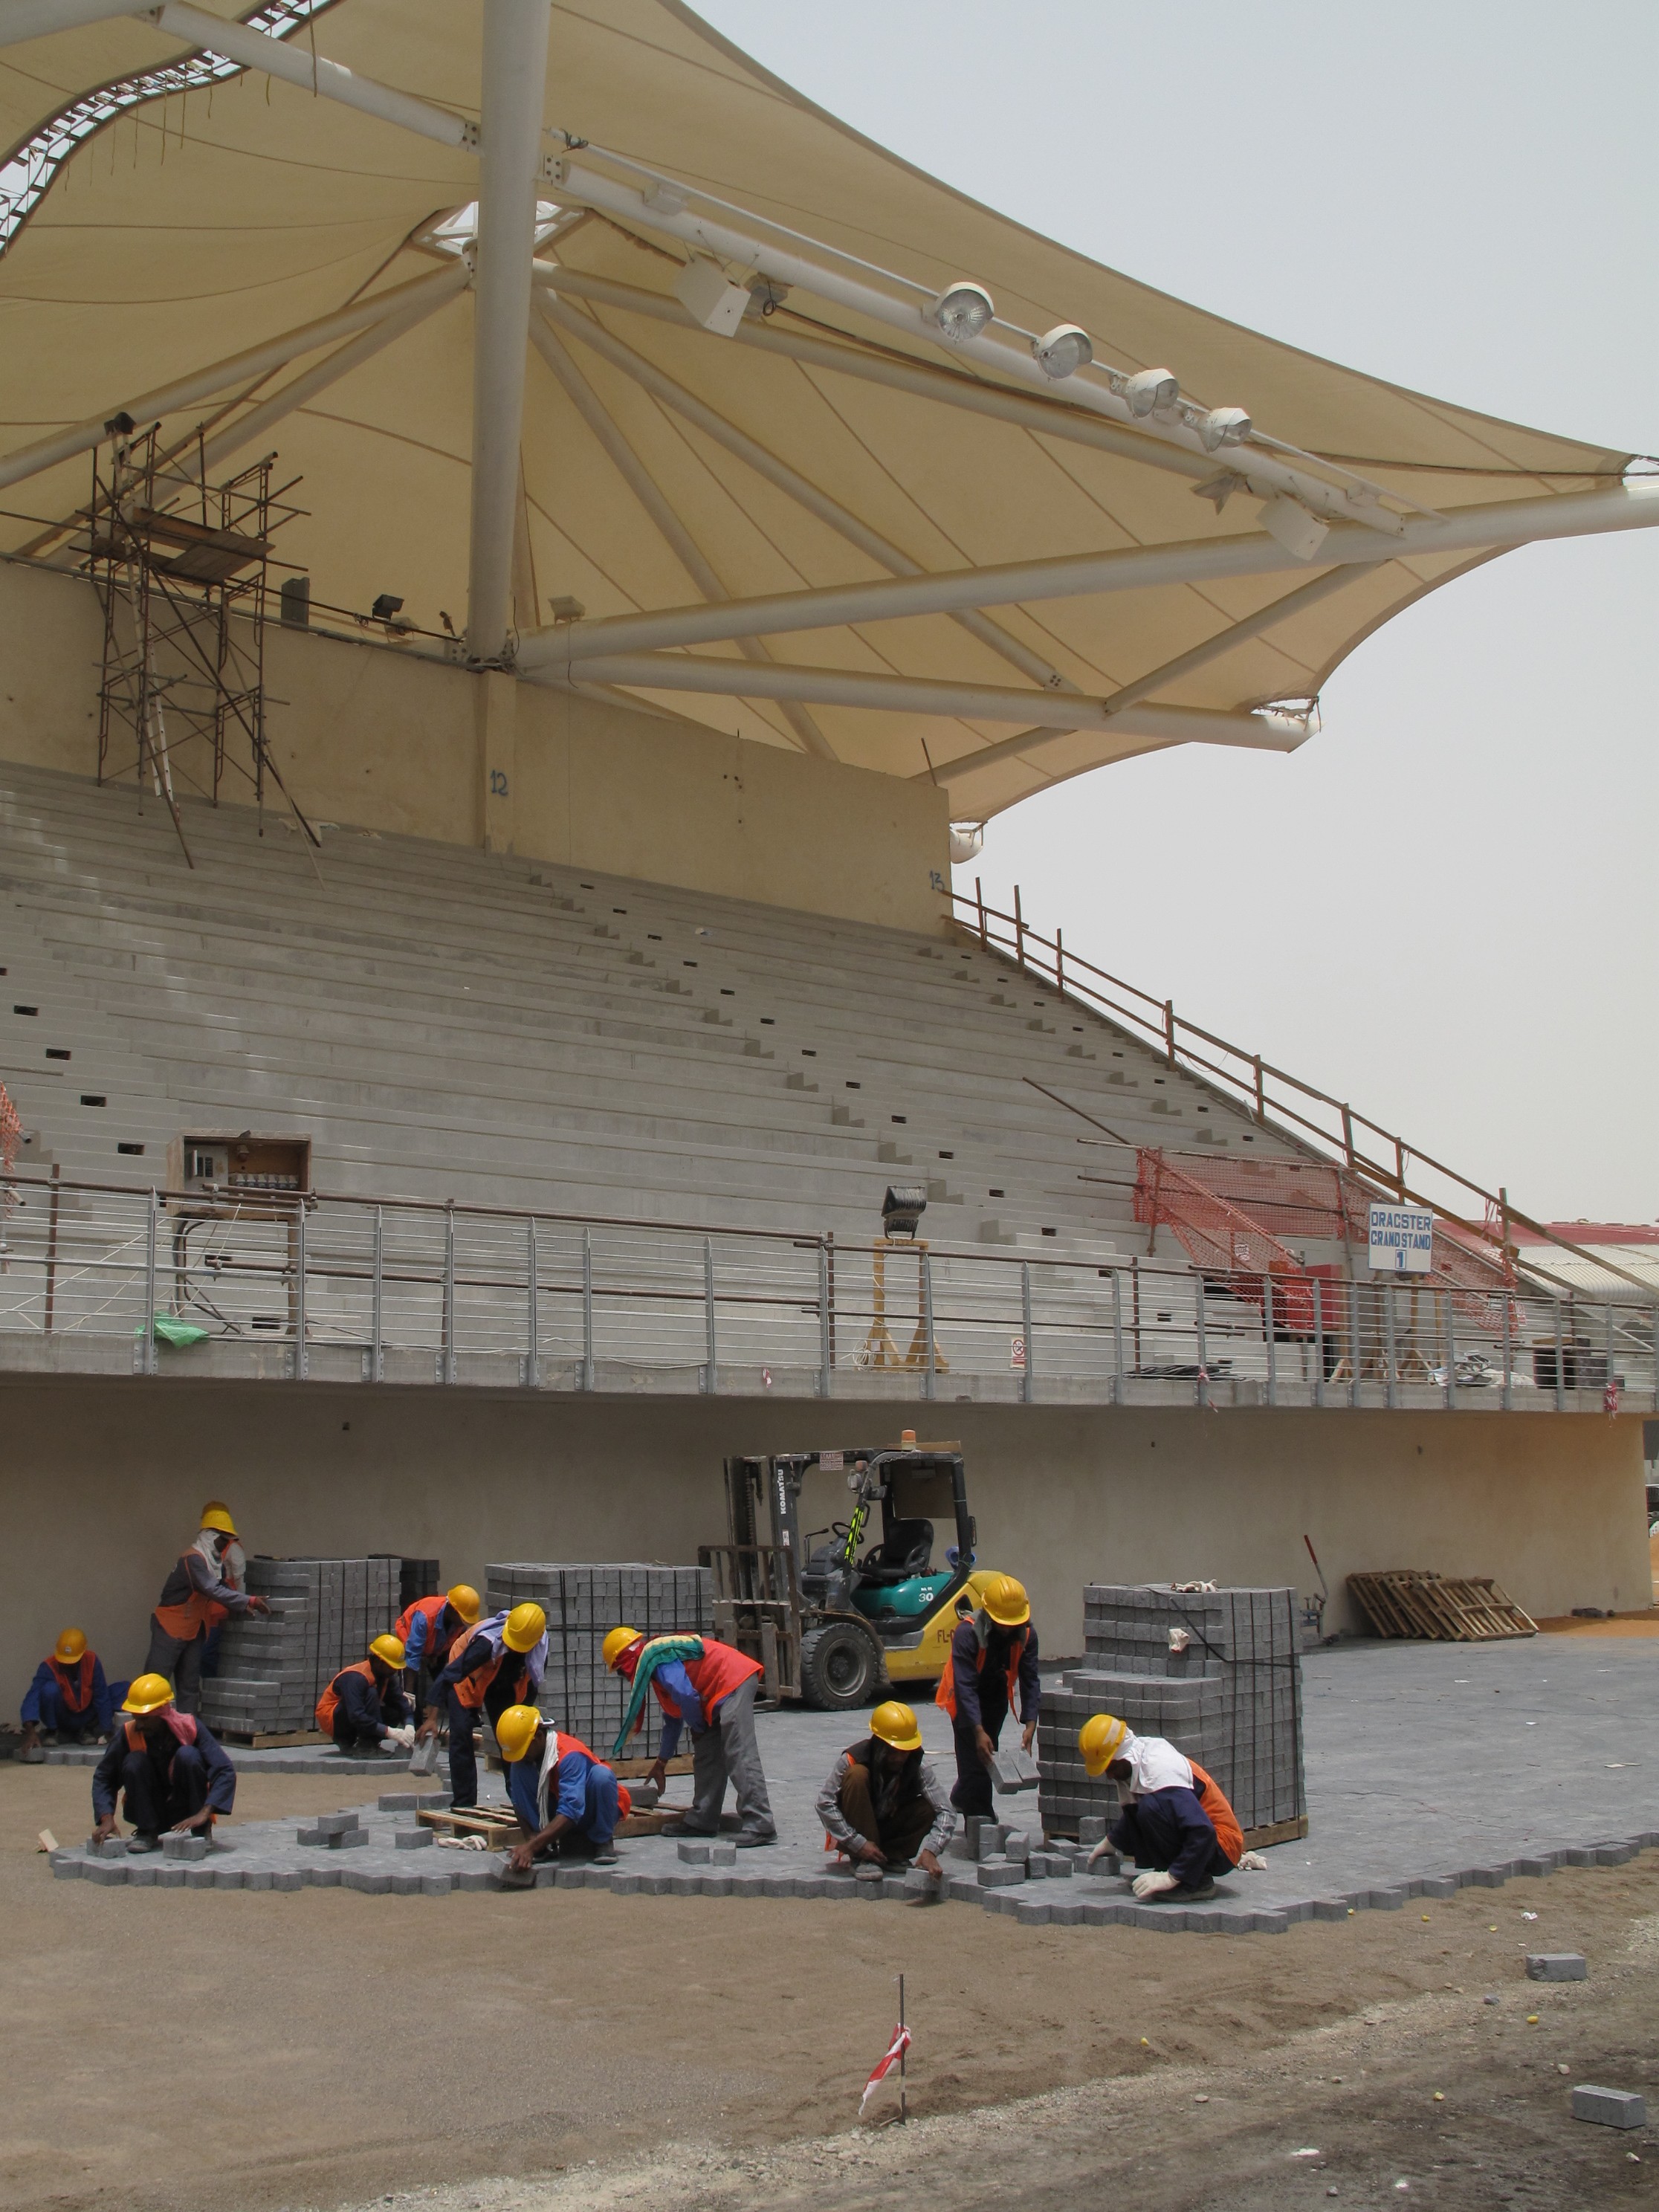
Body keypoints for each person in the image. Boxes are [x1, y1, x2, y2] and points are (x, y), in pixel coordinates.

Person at [604, 1626, 775, 1848]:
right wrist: (662, 1762)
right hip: (716, 1693)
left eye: (620, 1671)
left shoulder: (659, 1659)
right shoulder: (657, 1664)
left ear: (625, 1661)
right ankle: (702, 1821)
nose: (625, 1677)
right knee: (706, 1753)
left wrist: (697, 1724)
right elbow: (673, 1719)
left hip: (734, 1680)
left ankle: (761, 1825)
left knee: (739, 1751)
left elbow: (686, 1695)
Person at [1078, 1712, 1264, 1901]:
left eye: (1111, 1768)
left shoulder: (1161, 1774)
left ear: (1124, 1756)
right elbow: (1134, 1812)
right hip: (1205, 1839)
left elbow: (1203, 1831)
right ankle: (1178, 1872)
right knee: (1148, 1808)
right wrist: (1112, 1842)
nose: (1109, 1776)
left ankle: (1196, 1882)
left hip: (1223, 1846)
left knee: (1151, 1807)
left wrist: (1171, 1877)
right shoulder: (1138, 1761)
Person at [416, 1602, 547, 1812]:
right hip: (466, 1676)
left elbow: (531, 1684)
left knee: (513, 1739)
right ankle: (464, 1803)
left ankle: (520, 1800)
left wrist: (523, 1721)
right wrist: (431, 1718)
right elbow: (451, 1675)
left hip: (502, 1681)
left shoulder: (538, 1648)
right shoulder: (486, 1643)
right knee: (461, 1735)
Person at [91, 1673, 237, 1853]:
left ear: (162, 1712)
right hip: (148, 1809)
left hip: (186, 1810)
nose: (139, 1725)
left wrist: (204, 1814)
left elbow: (225, 1770)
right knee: (134, 1762)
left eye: (145, 1718)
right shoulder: (128, 1733)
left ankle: (201, 1831)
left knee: (188, 1756)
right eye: (136, 1717)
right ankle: (146, 1832)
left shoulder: (190, 1727)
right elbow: (104, 1777)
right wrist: (106, 1818)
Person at [934, 1571, 1040, 1820]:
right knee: (975, 1756)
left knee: (985, 1754)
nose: (1009, 1629)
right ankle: (982, 1821)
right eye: (1004, 1623)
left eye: (1014, 1623)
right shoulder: (967, 1634)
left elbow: (1030, 1680)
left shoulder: (1027, 1635)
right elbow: (965, 1686)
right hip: (962, 1698)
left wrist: (1030, 1725)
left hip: (995, 1697)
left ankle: (961, 1798)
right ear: (990, 1616)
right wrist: (977, 1730)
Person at [144, 1506, 269, 1715]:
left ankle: (188, 1732)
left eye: (229, 1541)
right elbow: (211, 1589)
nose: (226, 1545)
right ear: (209, 1536)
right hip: (170, 1628)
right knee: (155, 1681)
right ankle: (146, 1726)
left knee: (190, 1686)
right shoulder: (192, 1559)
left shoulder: (214, 1562)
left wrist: (242, 1604)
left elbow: (222, 1587)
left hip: (194, 1629)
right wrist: (251, 1600)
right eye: (223, 1540)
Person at [815, 1699, 952, 1878]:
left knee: (927, 1808)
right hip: (855, 1831)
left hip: (889, 1825)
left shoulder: (917, 1765)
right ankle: (864, 1858)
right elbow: (824, 1803)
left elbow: (946, 1811)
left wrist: (932, 1850)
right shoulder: (853, 1758)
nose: (899, 1758)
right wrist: (858, 1844)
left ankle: (891, 1854)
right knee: (856, 1775)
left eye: (905, 1751)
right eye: (893, 1751)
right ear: (879, 1742)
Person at [496, 1703, 627, 1869]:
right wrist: (532, 1841)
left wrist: (531, 1848)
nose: (523, 1756)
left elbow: (572, 1808)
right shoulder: (526, 1760)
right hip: (559, 1805)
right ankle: (541, 1844)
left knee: (602, 1776)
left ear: (539, 1737)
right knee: (518, 1769)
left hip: (588, 1809)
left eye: (524, 1750)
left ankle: (602, 1840)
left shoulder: (569, 1755)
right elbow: (517, 1798)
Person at [315, 1635, 415, 1755]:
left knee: (396, 1712)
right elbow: (356, 1715)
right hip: (336, 1723)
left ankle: (370, 1743)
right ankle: (361, 1745)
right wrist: (389, 1732)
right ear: (379, 1662)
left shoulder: (385, 1676)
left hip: (356, 1716)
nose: (395, 1671)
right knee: (371, 1693)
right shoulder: (355, 1678)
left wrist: (410, 1724)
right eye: (392, 1666)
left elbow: (401, 1702)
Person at [21, 1629, 117, 1750]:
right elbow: (32, 1697)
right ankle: (52, 1732)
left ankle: (87, 1730)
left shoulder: (92, 1661)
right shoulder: (48, 1666)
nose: (68, 1665)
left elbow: (101, 1696)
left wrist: (107, 1729)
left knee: (122, 1689)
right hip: (63, 1717)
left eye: (73, 1662)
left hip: (86, 1716)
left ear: (83, 1654)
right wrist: (31, 1732)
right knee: (49, 1690)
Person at [392, 1582, 480, 1711]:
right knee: (410, 1693)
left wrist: (436, 1655)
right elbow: (412, 1656)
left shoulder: (456, 1621)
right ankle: (412, 1721)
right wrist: (409, 1694)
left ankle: (460, 1714)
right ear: (451, 1609)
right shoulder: (425, 1617)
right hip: (410, 1643)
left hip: (435, 1646)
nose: (463, 1622)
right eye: (462, 1618)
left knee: (449, 1681)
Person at [195, 1497, 246, 1684]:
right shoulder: (205, 1549)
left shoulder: (232, 1549)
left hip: (222, 1612)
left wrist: (242, 1606)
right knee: (202, 1655)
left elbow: (240, 1580)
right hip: (209, 1613)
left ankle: (213, 1690)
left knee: (207, 1655)